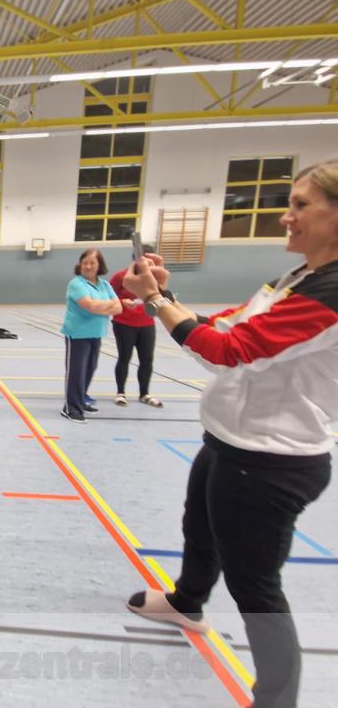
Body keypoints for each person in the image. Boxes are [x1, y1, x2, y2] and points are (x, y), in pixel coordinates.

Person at [123, 159, 337, 708]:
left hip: (270, 463)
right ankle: (186, 601)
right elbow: (228, 324)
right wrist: (165, 295)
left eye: (301, 205)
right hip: (230, 442)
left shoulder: (330, 294)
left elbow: (228, 351)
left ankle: (277, 699)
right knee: (199, 527)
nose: (287, 216)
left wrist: (155, 302)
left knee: (256, 587)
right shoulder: (299, 277)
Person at [60, 249, 122, 423]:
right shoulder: (76, 284)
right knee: (76, 372)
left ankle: (80, 401)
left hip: (96, 333)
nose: (88, 266)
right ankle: (70, 408)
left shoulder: (104, 285)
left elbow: (119, 308)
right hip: (77, 334)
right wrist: (109, 304)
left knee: (89, 369)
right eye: (85, 263)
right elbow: (90, 306)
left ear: (99, 265)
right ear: (80, 264)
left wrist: (103, 306)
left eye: (92, 263)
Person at [108, 245, 162, 408]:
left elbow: (160, 296)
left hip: (147, 324)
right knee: (124, 357)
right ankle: (120, 392)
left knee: (147, 359)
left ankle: (144, 394)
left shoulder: (153, 278)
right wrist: (122, 301)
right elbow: (108, 296)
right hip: (124, 323)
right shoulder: (121, 277)